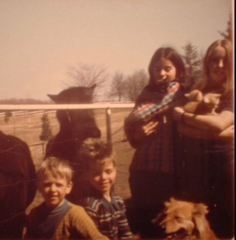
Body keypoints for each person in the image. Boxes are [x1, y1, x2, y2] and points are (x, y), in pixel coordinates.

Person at [172, 39, 234, 239]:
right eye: (214, 60)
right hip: (195, 167)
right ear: (207, 63)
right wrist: (220, 133)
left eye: (226, 60)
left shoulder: (231, 93)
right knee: (199, 224)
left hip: (224, 166)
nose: (220, 65)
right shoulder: (197, 92)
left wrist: (184, 116)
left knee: (225, 224)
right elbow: (181, 128)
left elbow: (220, 123)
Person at [124, 47, 187, 238]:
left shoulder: (183, 94)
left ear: (178, 69)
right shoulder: (146, 93)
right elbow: (131, 125)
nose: (161, 73)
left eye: (167, 68)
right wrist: (137, 135)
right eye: (157, 68)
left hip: (169, 173)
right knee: (146, 226)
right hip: (142, 170)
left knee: (166, 225)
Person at [25, 157, 108, 239]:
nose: (53, 189)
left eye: (58, 185)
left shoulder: (75, 214)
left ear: (68, 187)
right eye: (47, 184)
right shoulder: (34, 215)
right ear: (39, 186)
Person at [78, 138, 133, 240]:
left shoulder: (118, 201)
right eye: (96, 173)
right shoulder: (91, 206)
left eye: (108, 171)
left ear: (115, 170)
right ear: (86, 174)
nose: (103, 177)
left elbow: (125, 233)